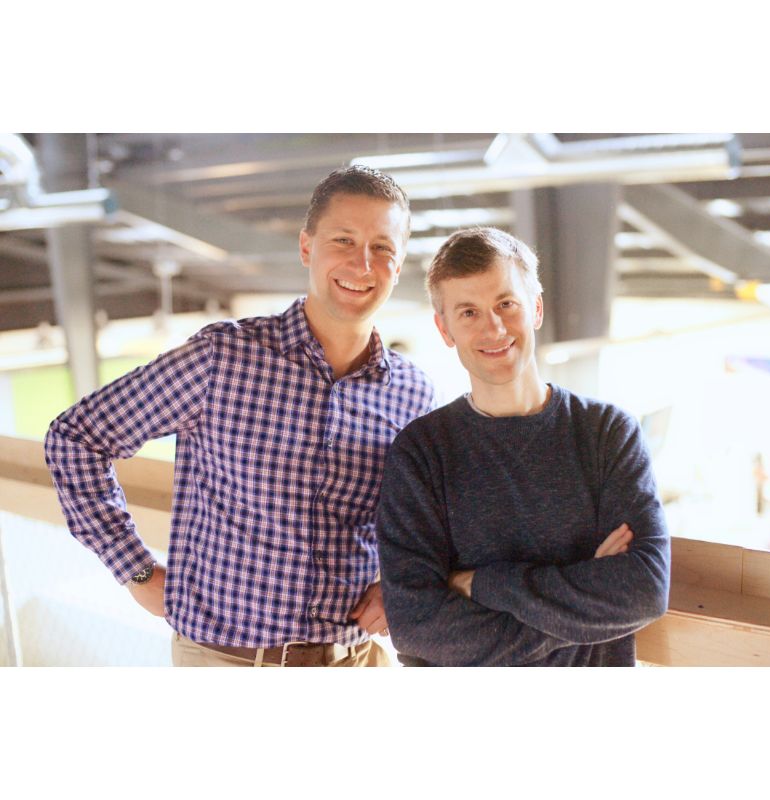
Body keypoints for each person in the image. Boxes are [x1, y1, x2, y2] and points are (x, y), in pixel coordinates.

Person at [44, 165, 435, 667]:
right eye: (343, 240)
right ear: (306, 247)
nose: (363, 264)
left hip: (356, 661)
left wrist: (398, 582)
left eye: (383, 247)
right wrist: (136, 571)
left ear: (399, 264)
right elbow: (76, 438)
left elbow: (431, 521)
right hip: (225, 661)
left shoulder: (413, 394)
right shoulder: (222, 358)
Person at [376, 227, 670, 666]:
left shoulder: (607, 433)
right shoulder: (422, 453)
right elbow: (418, 628)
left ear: (535, 308)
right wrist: (583, 610)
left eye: (506, 304)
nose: (493, 327)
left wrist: (482, 586)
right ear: (445, 328)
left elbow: (643, 591)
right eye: (469, 312)